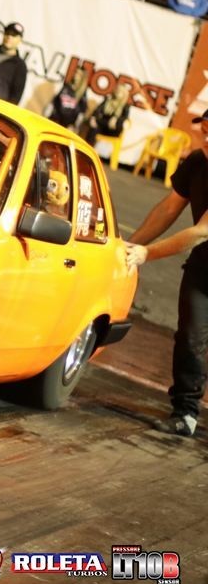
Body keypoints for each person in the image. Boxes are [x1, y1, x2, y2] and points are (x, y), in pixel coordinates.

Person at [124, 109, 208, 437]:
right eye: (204, 129)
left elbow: (200, 231)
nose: (206, 137)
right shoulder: (196, 163)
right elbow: (168, 208)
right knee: (190, 338)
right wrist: (131, 246)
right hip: (204, 269)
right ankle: (185, 413)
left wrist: (148, 253)